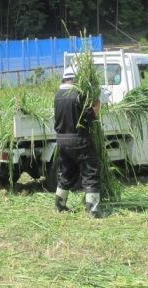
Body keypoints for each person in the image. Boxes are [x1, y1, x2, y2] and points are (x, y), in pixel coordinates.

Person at [53, 66, 102, 218]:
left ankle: (59, 205)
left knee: (67, 172)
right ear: (76, 79)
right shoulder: (78, 95)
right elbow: (91, 116)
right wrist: (97, 104)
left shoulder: (58, 95)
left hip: (62, 139)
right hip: (79, 139)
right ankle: (93, 209)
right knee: (91, 171)